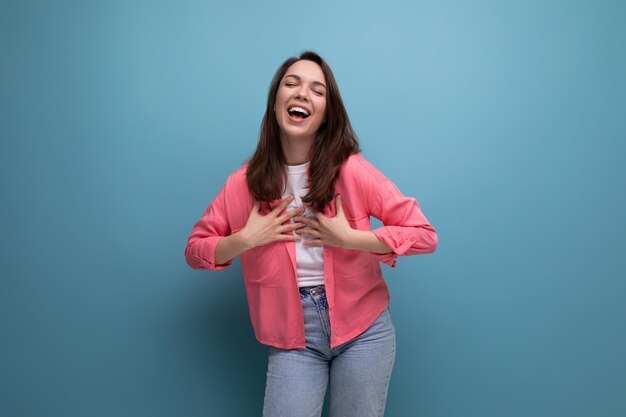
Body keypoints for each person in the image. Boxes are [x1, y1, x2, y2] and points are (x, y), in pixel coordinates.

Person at [184, 50, 438, 417]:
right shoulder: (242, 183)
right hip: (292, 336)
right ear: (275, 104)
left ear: (325, 115)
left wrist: (350, 239)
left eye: (317, 90)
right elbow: (195, 250)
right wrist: (245, 239)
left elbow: (424, 234)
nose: (302, 93)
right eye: (291, 83)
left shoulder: (352, 171)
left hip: (364, 329)